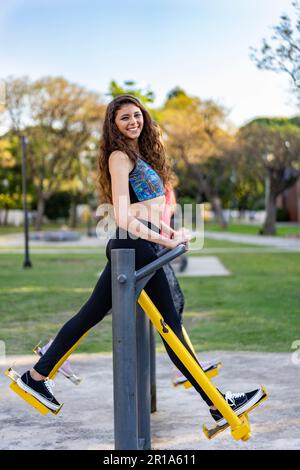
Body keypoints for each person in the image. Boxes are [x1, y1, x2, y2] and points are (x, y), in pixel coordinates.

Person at [16, 94, 264, 425]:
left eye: (137, 115)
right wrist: (163, 238)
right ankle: (218, 404)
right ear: (113, 125)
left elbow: (148, 208)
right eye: (125, 118)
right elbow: (121, 215)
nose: (134, 121)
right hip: (132, 246)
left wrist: (170, 234)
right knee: (168, 326)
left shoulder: (136, 153)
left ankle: (35, 376)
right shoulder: (119, 156)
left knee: (96, 314)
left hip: (137, 246)